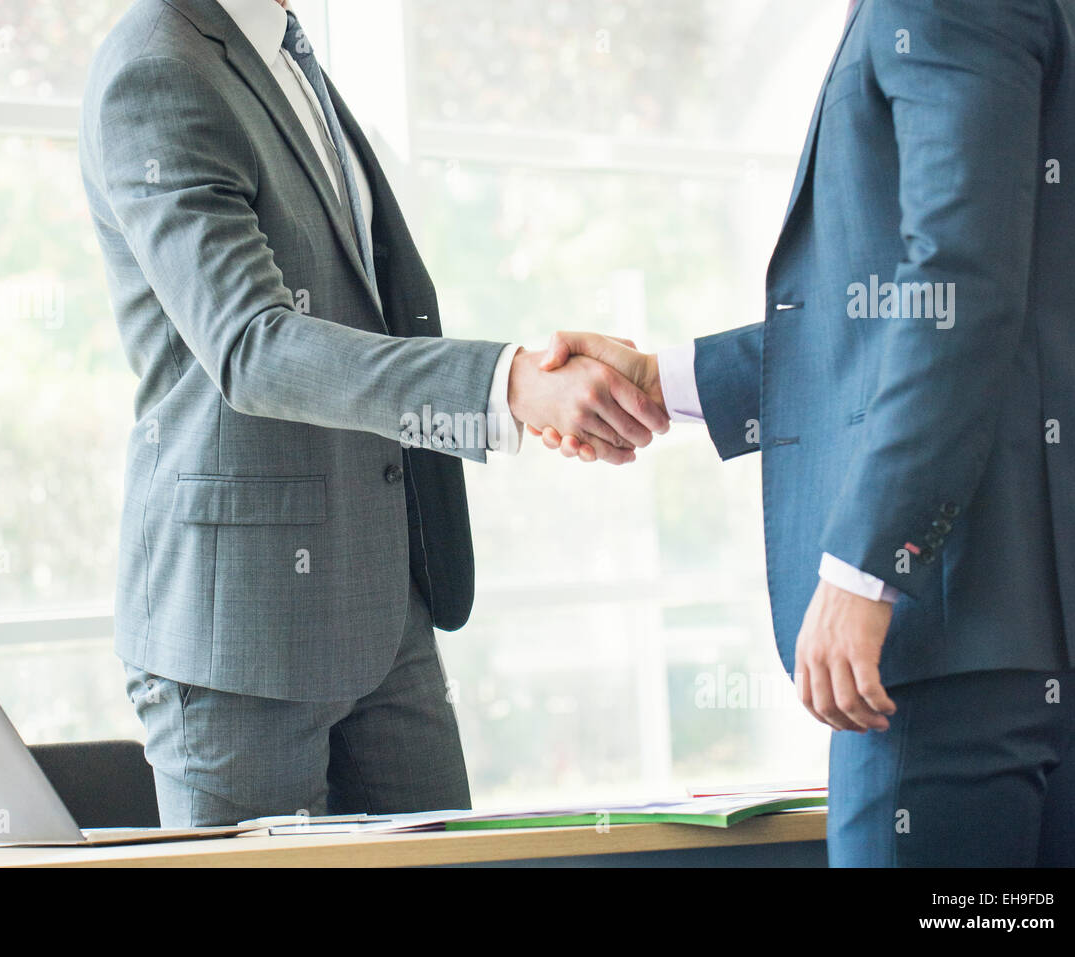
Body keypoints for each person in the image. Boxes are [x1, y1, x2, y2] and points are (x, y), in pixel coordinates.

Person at [536, 0, 1075, 866]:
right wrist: (666, 381)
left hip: (953, 638)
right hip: (1062, 644)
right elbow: (988, 301)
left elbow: (955, 291)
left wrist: (867, 564)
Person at [78, 0, 668, 824]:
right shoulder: (160, 66)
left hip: (387, 605)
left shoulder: (284, 53)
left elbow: (365, 304)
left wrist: (541, 378)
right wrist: (506, 385)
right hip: (240, 637)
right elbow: (253, 345)